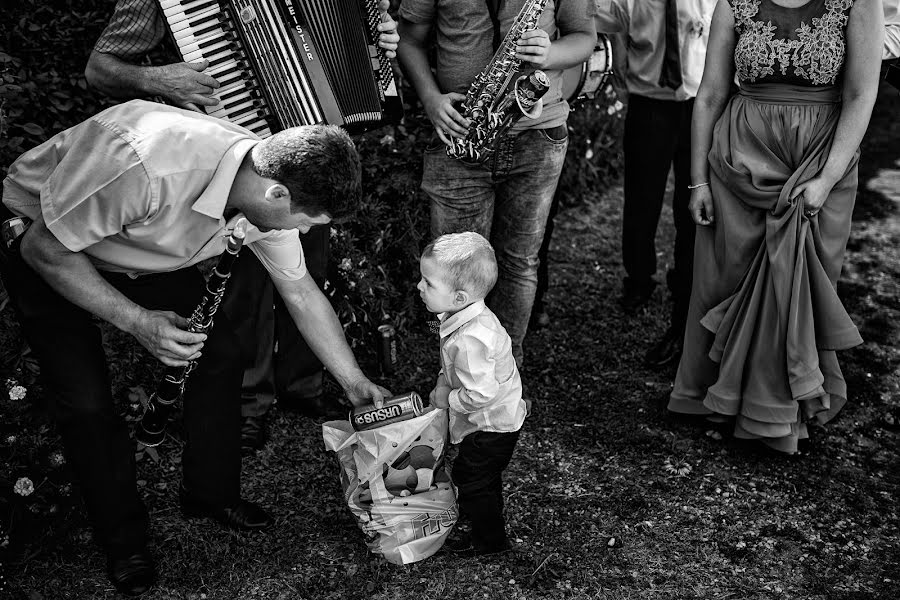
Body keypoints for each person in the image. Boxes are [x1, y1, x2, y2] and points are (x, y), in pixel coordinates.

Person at [0, 100, 390, 595]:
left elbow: (300, 291)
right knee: (86, 403)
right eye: (309, 221)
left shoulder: (263, 197)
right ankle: (124, 540)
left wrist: (354, 383)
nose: (308, 232)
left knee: (221, 355)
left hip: (138, 249)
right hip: (46, 240)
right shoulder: (145, 166)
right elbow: (45, 249)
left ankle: (209, 493)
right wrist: (138, 321)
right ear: (276, 192)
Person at [84, 0, 401, 452]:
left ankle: (306, 385)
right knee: (239, 288)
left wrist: (378, 47)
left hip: (310, 165)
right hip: (226, 163)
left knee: (304, 271)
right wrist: (155, 79)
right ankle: (247, 401)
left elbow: (358, 44)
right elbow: (99, 69)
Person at [668, 0, 883, 454]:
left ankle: (783, 410)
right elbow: (709, 94)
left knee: (798, 283)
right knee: (726, 280)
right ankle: (721, 401)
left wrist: (826, 179)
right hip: (739, 163)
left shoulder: (858, 2)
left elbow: (862, 93)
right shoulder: (735, 2)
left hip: (820, 160)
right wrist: (698, 181)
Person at [397, 0, 597, 369]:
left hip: (537, 135)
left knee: (518, 263)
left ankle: (505, 378)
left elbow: (585, 38)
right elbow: (408, 40)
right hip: (458, 134)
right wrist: (430, 99)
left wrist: (551, 53)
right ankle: (455, 376)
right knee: (451, 270)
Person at [595, 0, 718, 370]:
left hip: (701, 106)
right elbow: (593, 18)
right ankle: (639, 276)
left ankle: (686, 282)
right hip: (649, 105)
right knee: (641, 200)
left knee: (691, 201)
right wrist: (614, 60)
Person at [418, 232, 526, 556]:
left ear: (460, 297)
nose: (419, 287)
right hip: (490, 419)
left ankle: (489, 542)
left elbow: (481, 393)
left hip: (492, 425)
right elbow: (452, 366)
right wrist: (442, 379)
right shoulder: (461, 318)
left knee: (472, 477)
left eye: (428, 283)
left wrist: (446, 400)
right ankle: (480, 510)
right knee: (479, 475)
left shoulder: (471, 339)